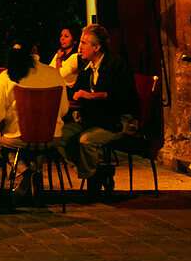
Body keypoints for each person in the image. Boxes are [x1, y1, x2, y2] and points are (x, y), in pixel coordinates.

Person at [58, 24, 139, 194]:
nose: (80, 47)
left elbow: (120, 97)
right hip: (95, 118)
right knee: (59, 136)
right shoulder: (87, 68)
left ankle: (93, 181)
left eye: (84, 43)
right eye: (80, 42)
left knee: (85, 140)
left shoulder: (116, 65)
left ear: (97, 47)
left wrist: (90, 96)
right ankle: (96, 172)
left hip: (117, 120)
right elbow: (76, 91)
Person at [0, 41, 68, 196]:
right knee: (28, 146)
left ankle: (24, 172)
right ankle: (31, 174)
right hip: (51, 137)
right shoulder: (53, 73)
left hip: (19, 138)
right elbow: (63, 109)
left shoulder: (7, 76)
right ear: (35, 48)